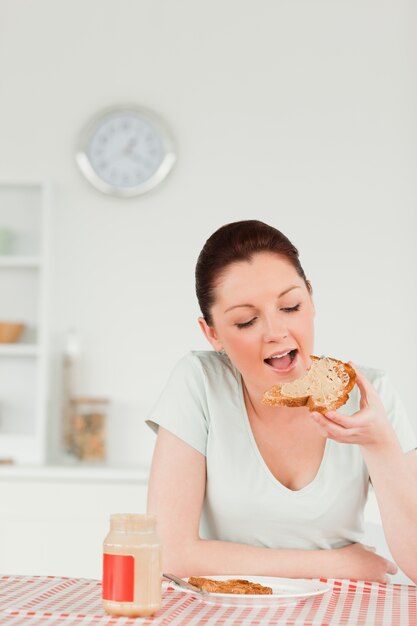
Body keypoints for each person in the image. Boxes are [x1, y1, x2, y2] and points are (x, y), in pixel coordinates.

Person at [146, 220, 417, 584]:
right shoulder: (199, 383)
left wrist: (381, 446)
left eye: (290, 306)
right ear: (212, 333)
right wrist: (337, 565)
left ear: (311, 299)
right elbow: (170, 554)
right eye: (246, 321)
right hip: (228, 610)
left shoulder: (370, 396)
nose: (276, 332)